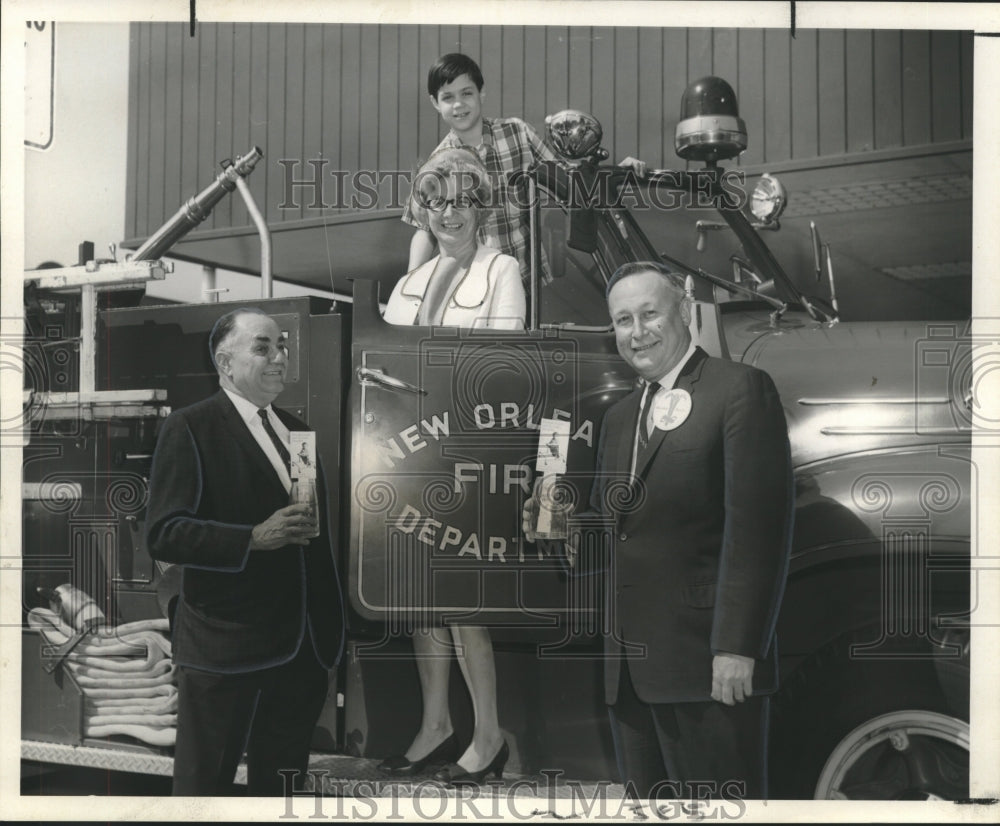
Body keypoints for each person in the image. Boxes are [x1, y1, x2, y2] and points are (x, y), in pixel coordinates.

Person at [523, 262, 793, 801]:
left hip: (708, 670)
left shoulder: (740, 390)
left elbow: (758, 532)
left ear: (686, 313)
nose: (637, 332)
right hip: (629, 675)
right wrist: (562, 531)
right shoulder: (620, 417)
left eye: (649, 314)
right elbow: (614, 536)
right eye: (623, 320)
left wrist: (737, 649)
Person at [145, 308, 345, 796]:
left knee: (278, 797)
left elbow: (308, 539)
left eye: (283, 346)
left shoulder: (298, 434)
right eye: (263, 347)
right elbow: (165, 533)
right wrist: (252, 537)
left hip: (300, 654)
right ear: (224, 361)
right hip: (225, 652)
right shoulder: (191, 427)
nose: (279, 357)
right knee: (203, 794)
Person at [379, 148, 523, 785]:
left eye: (462, 200)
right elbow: (381, 368)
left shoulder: (502, 269)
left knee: (463, 604)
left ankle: (488, 733)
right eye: (436, 202)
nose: (449, 214)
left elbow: (505, 364)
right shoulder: (407, 284)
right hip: (409, 457)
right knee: (420, 602)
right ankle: (436, 724)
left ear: (480, 207)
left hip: (469, 453)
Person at [402, 52, 646, 280]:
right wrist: (410, 283)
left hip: (527, 278)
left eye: (466, 93)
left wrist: (617, 172)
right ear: (435, 102)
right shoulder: (438, 162)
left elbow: (568, 176)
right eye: (448, 97)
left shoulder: (518, 132)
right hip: (473, 285)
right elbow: (425, 230)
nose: (458, 104)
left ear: (481, 93)